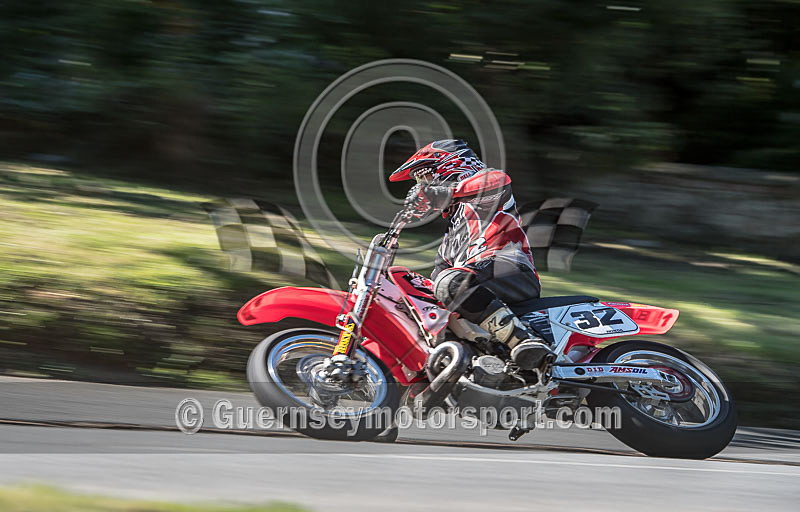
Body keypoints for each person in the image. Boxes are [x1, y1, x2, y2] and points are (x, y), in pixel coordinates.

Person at [390, 139, 553, 370]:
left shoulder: (486, 187)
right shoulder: (452, 232)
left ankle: (526, 342)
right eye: (420, 182)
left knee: (450, 283)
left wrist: (441, 191)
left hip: (510, 270)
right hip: (476, 280)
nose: (422, 186)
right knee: (422, 293)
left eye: (425, 177)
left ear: (449, 166)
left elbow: (497, 180)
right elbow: (436, 278)